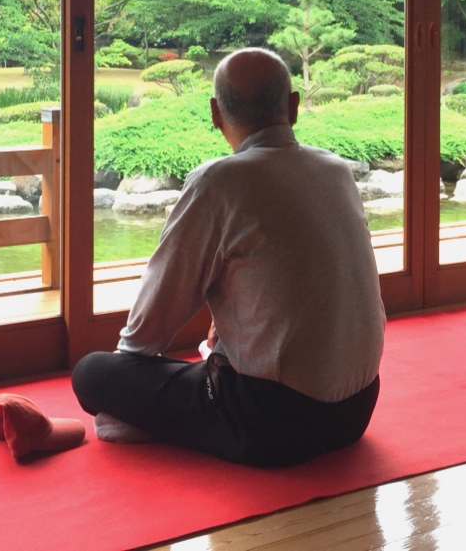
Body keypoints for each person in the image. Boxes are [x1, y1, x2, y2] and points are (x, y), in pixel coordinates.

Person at [72, 47, 386, 466]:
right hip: (358, 408)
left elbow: (147, 330)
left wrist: (129, 386)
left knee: (93, 374)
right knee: (193, 370)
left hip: (277, 423)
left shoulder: (219, 181)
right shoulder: (335, 169)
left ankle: (148, 421)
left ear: (215, 113)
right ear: (292, 107)